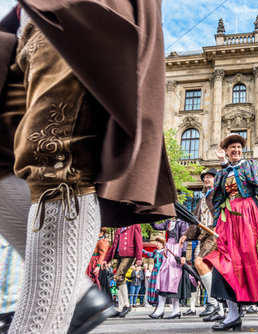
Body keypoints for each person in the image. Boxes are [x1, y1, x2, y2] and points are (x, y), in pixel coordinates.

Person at [1, 1, 177, 333]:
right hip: (28, 21)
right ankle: (78, 296)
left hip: (78, 10)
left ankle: (42, 323)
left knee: (54, 157)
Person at [203, 133, 258, 331]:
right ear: (227, 152)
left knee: (253, 258)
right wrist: (216, 224)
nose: (236, 150)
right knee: (226, 261)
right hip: (228, 220)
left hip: (248, 216)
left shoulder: (250, 165)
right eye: (233, 148)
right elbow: (218, 200)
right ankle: (232, 314)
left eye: (239, 147)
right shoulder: (222, 173)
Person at [179, 167, 225, 322]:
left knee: (199, 262)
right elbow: (195, 220)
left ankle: (215, 302)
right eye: (205, 177)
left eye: (210, 177)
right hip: (203, 235)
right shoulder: (201, 199)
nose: (207, 179)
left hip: (215, 233)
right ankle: (215, 304)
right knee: (207, 269)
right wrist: (186, 235)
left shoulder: (218, 193)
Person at [148, 219, 189, 319]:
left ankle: (174, 310)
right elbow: (157, 227)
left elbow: (184, 240)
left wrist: (183, 255)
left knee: (173, 279)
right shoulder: (168, 221)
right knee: (163, 278)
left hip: (176, 250)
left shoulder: (182, 223)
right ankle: (161, 309)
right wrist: (150, 218)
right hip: (168, 249)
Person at [103, 225, 143, 318]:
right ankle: (120, 308)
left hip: (129, 254)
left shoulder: (135, 225)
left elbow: (139, 241)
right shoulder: (119, 226)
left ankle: (126, 305)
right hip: (118, 254)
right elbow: (114, 245)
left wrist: (139, 257)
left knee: (119, 276)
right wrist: (106, 259)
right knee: (118, 280)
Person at [143, 240, 165, 306]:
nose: (157, 244)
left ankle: (159, 305)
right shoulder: (155, 251)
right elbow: (149, 254)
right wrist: (142, 250)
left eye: (158, 243)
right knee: (153, 286)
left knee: (159, 288)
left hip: (160, 271)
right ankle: (154, 302)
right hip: (154, 271)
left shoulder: (164, 252)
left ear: (162, 244)